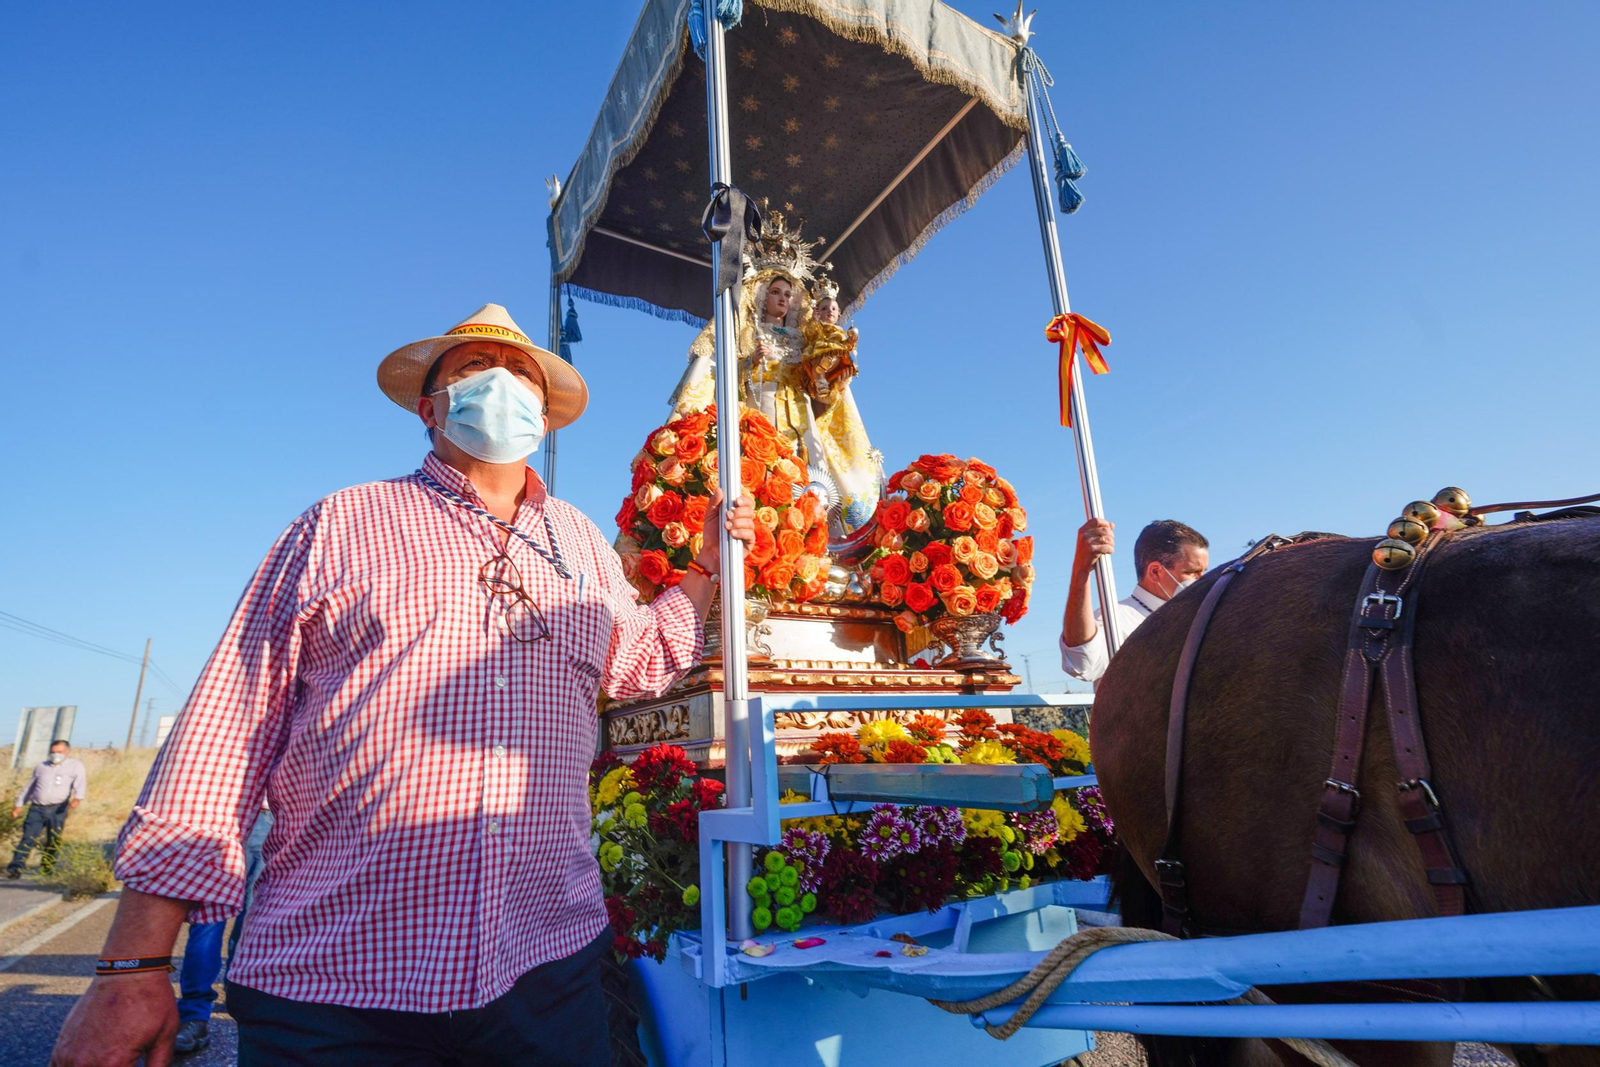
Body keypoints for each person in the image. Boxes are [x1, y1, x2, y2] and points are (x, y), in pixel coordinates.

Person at [49, 303, 756, 1067]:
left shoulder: (579, 541)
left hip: (547, 965)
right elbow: (224, 733)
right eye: (475, 366)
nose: (502, 382)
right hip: (339, 987)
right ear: (430, 406)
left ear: (544, 415)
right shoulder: (340, 524)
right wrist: (133, 965)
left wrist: (706, 566)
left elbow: (643, 657)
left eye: (521, 372)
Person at [1060, 518, 1210, 684]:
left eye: (1204, 571)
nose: (1203, 580)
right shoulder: (1116, 620)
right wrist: (1081, 570)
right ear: (1155, 572)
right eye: (1192, 572)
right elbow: (1082, 663)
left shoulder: (1203, 619)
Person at [171, 807, 271, 1056]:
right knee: (209, 921)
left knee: (243, 921)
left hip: (257, 817)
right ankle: (195, 1014)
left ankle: (224, 1002)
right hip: (220, 815)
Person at [7, 739, 86, 878]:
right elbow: (29, 787)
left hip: (58, 809)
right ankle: (15, 868)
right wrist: (18, 805)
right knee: (28, 837)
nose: (56, 755)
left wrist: (77, 799)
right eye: (53, 752)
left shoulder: (75, 766)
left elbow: (80, 783)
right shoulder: (42, 767)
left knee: (53, 839)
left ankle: (47, 868)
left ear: (67, 751)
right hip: (36, 808)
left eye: (59, 752)